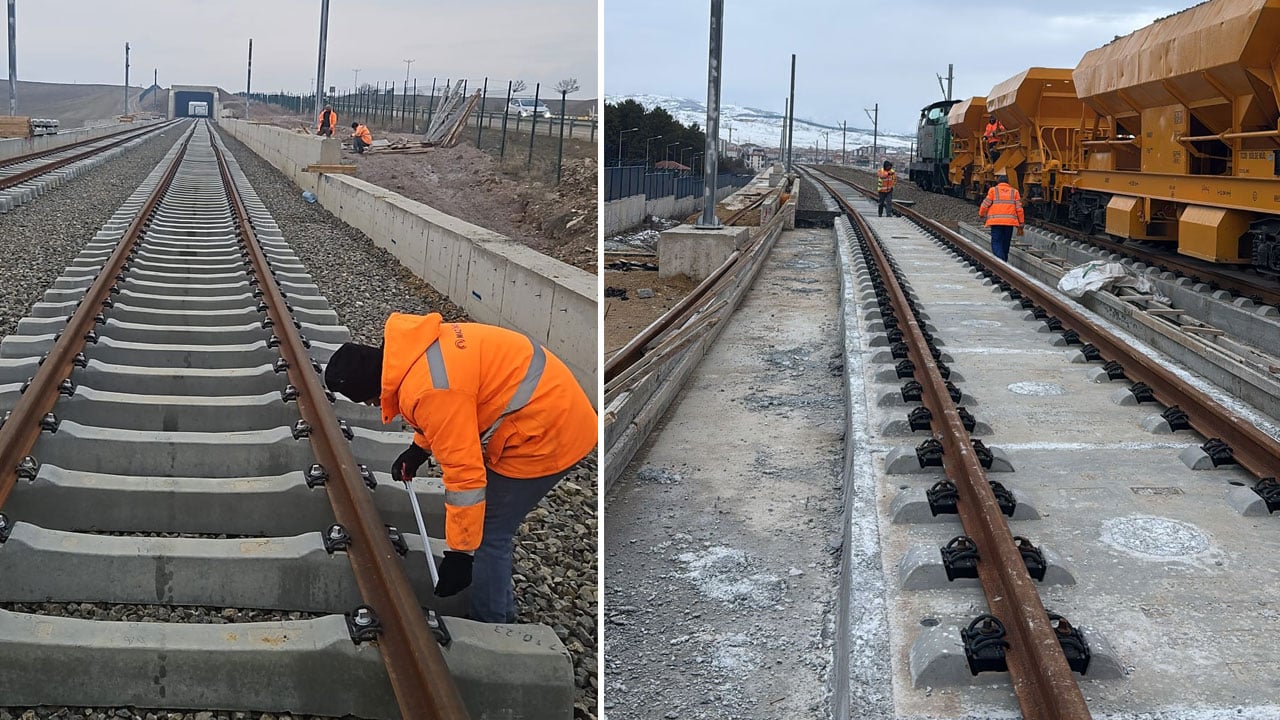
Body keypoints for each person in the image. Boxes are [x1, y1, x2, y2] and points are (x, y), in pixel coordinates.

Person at [323, 312, 598, 623]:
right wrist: (419, 449)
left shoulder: (430, 392)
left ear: (372, 389)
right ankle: (493, 602)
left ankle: (493, 625)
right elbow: (455, 408)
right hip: (549, 403)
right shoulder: (412, 353)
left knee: (489, 534)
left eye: (369, 400)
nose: (373, 406)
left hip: (549, 432)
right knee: (484, 527)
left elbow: (466, 477)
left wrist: (460, 554)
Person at [979, 170, 1025, 261]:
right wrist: (1021, 222)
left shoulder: (993, 190)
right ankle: (1004, 261)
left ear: (998, 182)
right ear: (1008, 183)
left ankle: (1000, 261)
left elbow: (985, 204)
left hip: (996, 222)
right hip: (1009, 223)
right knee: (1005, 243)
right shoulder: (1014, 192)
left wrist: (981, 214)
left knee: (996, 241)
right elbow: (1019, 209)